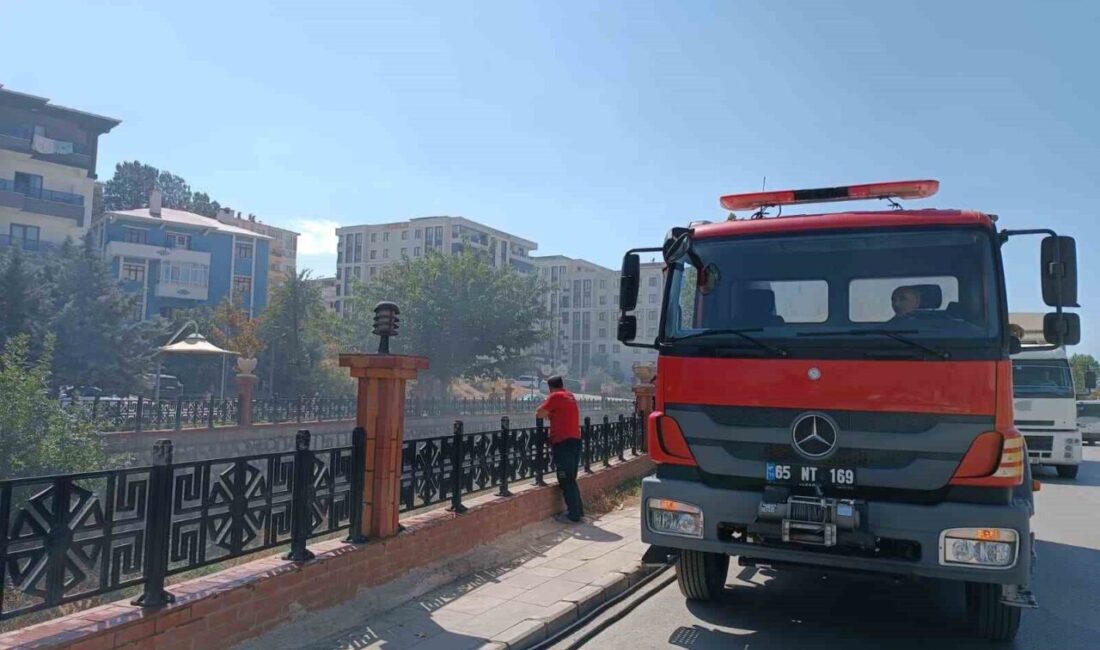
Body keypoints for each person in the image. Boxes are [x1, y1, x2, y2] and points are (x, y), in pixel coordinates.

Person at [536, 375, 585, 523]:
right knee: (571, 478)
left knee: (565, 478)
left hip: (563, 442)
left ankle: (573, 515)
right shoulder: (569, 395)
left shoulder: (555, 396)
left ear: (550, 387)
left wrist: (549, 413)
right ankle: (579, 510)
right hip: (575, 440)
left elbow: (539, 413)